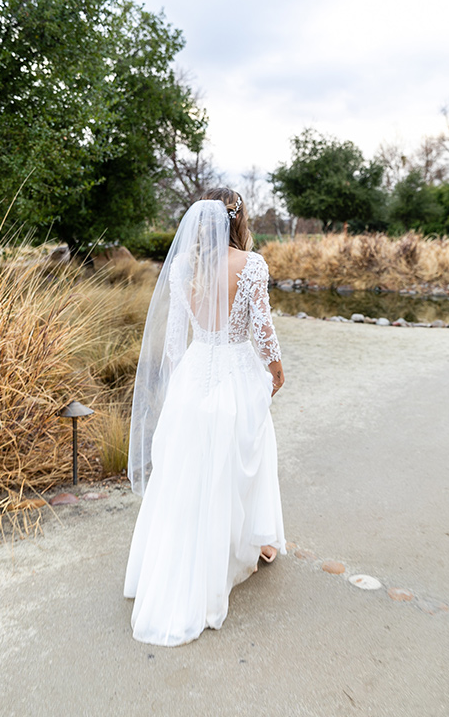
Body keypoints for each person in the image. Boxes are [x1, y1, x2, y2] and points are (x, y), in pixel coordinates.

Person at [123, 187, 286, 646]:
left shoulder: (182, 268)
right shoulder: (251, 266)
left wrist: (182, 385)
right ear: (237, 220)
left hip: (194, 374)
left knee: (187, 472)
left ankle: (174, 562)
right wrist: (275, 366)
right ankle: (247, 545)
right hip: (234, 371)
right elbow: (262, 326)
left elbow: (176, 338)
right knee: (237, 459)